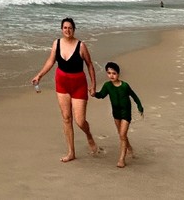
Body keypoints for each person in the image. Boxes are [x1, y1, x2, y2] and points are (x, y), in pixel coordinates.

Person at [31, 18, 99, 162]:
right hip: (62, 84)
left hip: (79, 85)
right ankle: (71, 152)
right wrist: (39, 75)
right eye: (65, 28)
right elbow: (50, 61)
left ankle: (89, 135)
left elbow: (90, 65)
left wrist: (93, 85)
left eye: (70, 28)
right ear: (62, 29)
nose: (67, 30)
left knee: (80, 121)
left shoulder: (81, 46)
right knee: (67, 118)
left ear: (74, 29)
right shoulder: (56, 43)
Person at [93, 62, 144, 168]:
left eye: (114, 73)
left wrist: (140, 107)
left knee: (122, 135)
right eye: (109, 73)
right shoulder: (107, 86)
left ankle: (121, 159)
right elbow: (101, 95)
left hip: (126, 113)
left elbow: (134, 96)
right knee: (122, 135)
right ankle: (129, 148)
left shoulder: (125, 86)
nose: (111, 75)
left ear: (118, 74)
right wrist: (94, 94)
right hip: (116, 114)